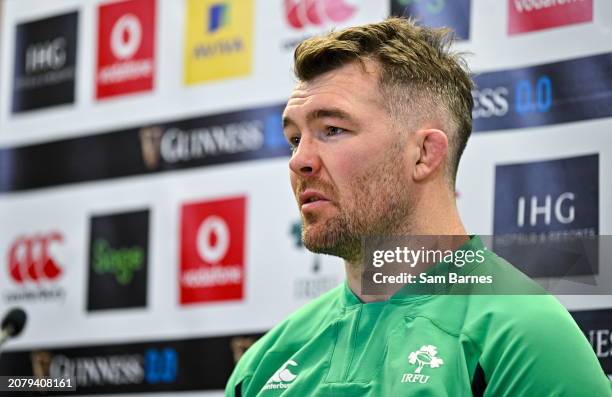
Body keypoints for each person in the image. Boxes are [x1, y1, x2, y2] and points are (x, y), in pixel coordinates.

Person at [225, 17, 611, 396]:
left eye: (332, 130)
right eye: (295, 139)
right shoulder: (261, 365)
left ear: (425, 154)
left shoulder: (522, 338)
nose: (299, 161)